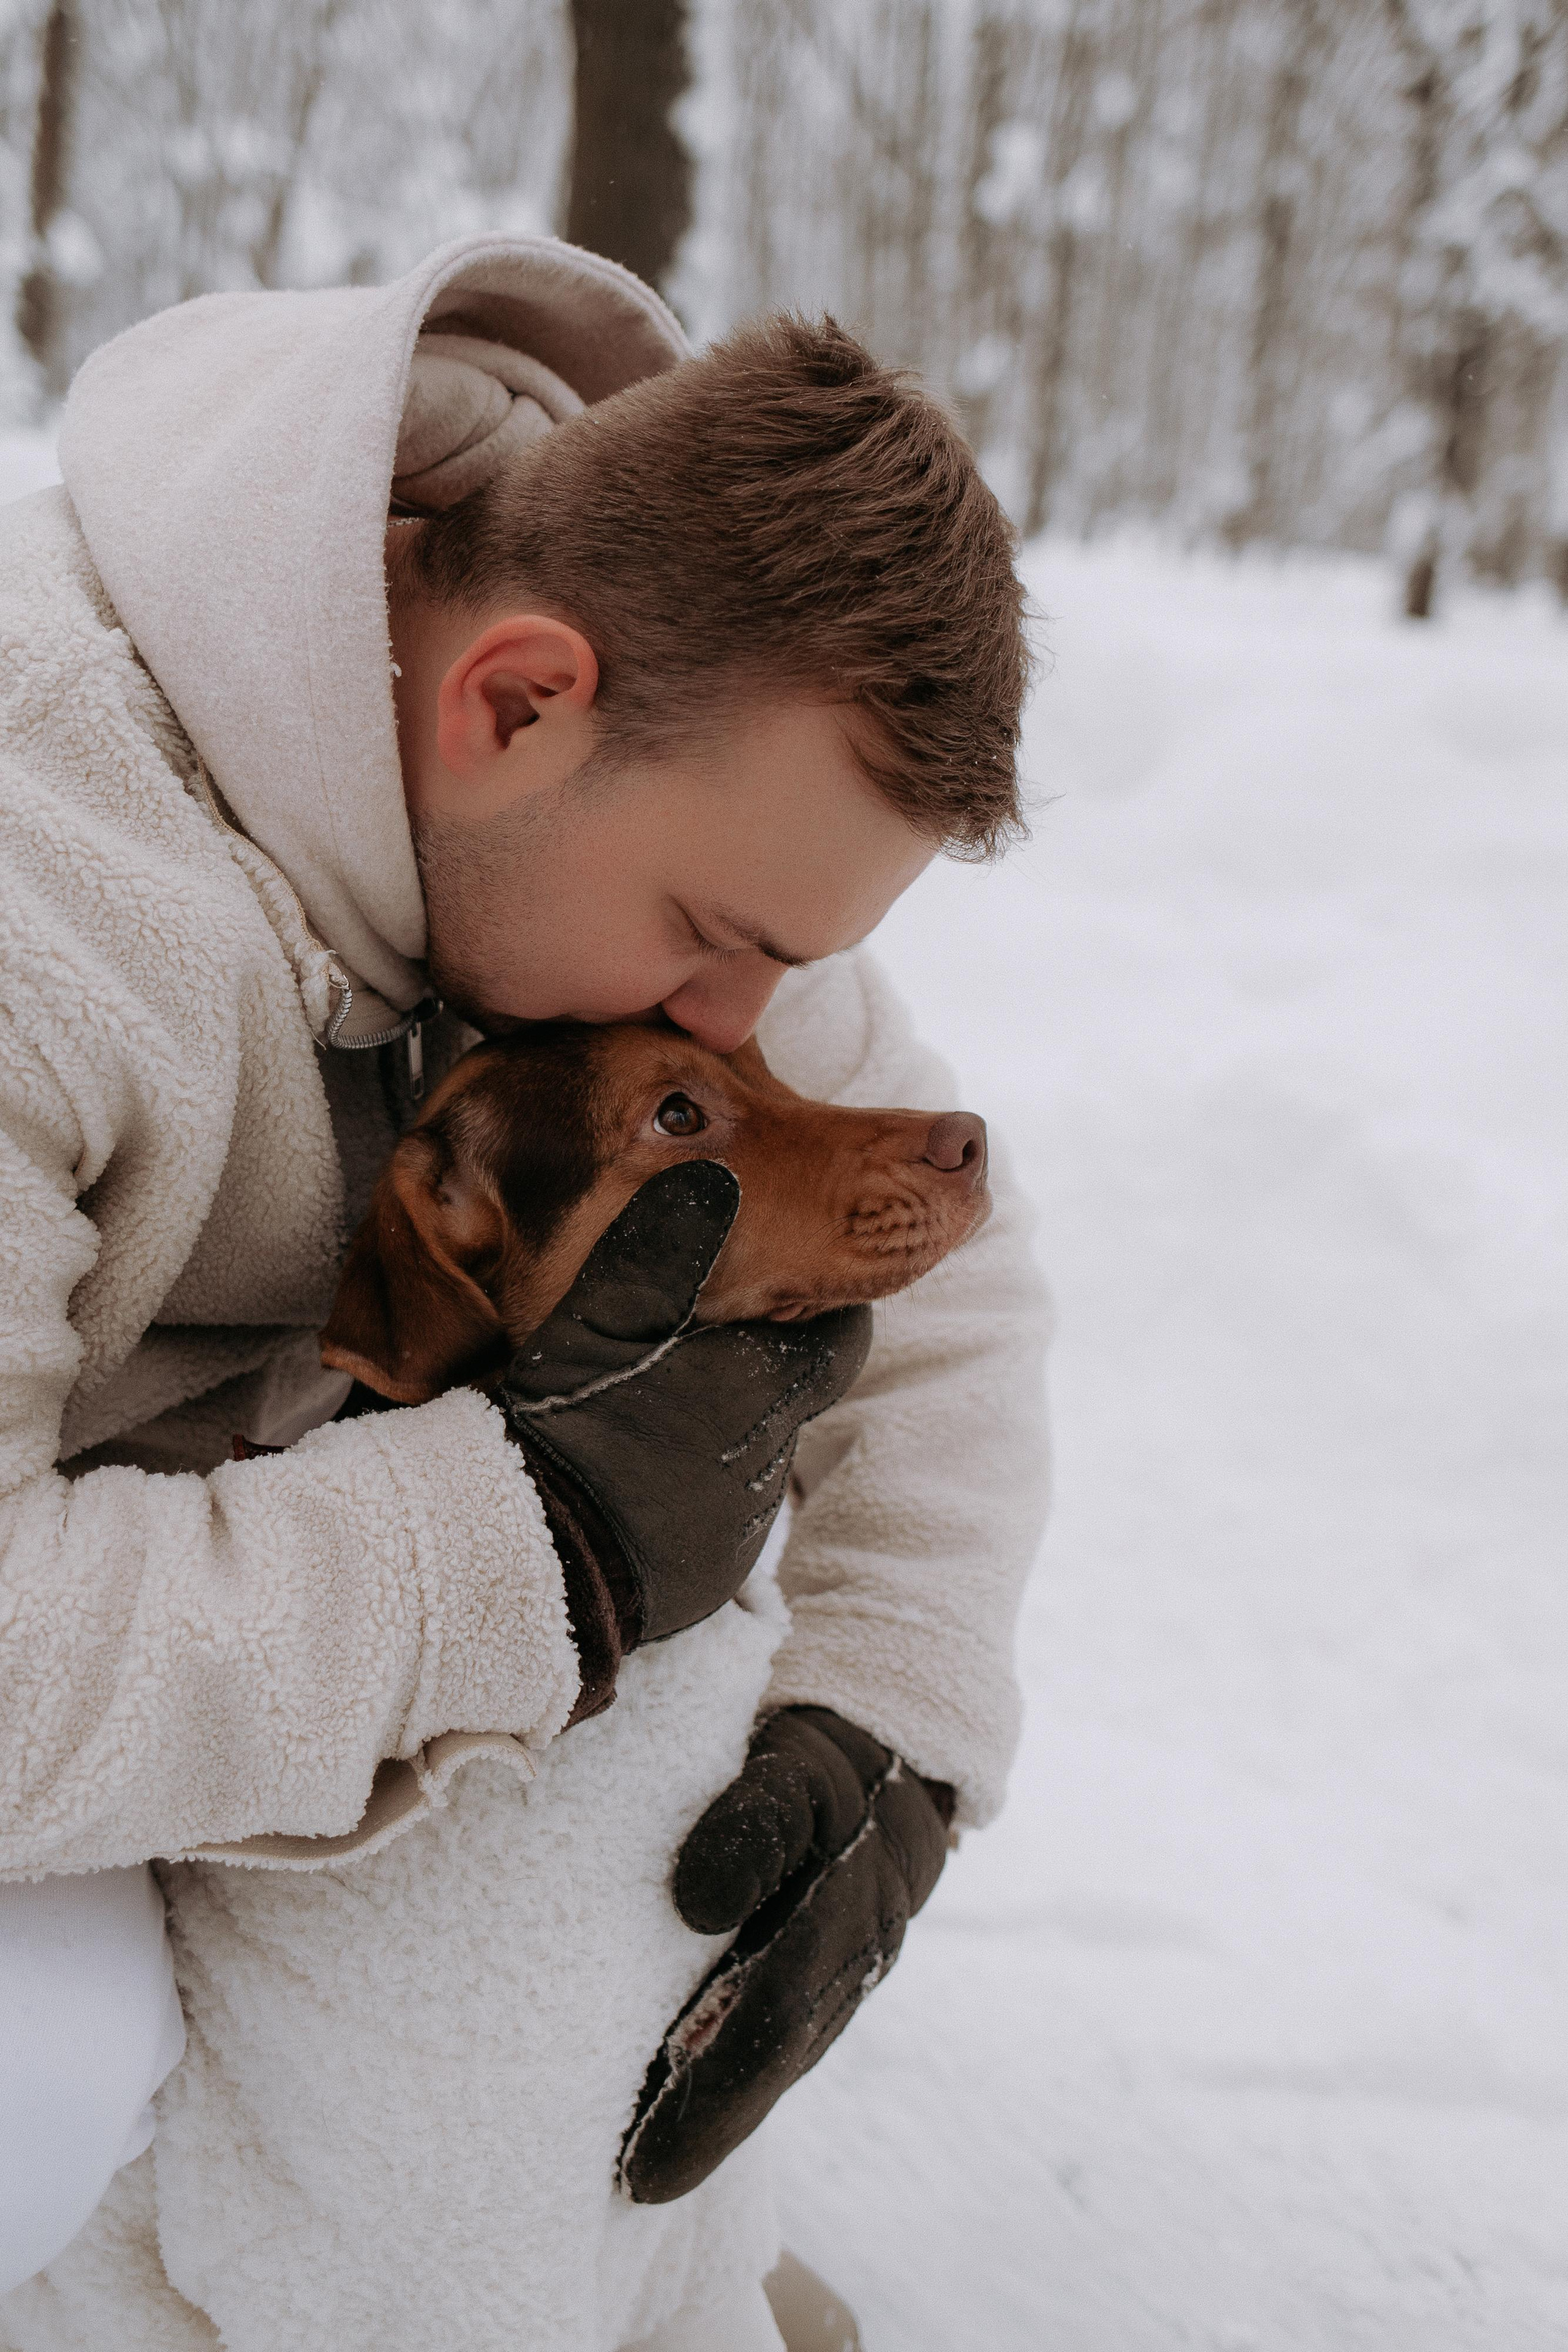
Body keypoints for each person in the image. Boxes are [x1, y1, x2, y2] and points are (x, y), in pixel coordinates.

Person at [0, 235, 1049, 2350]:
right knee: (46, 2079)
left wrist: (898, 1716)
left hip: (180, 1601)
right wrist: (523, 1540)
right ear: (512, 698)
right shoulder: (43, 884)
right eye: (720, 938)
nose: (763, 1015)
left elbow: (949, 1286)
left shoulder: (641, 778)